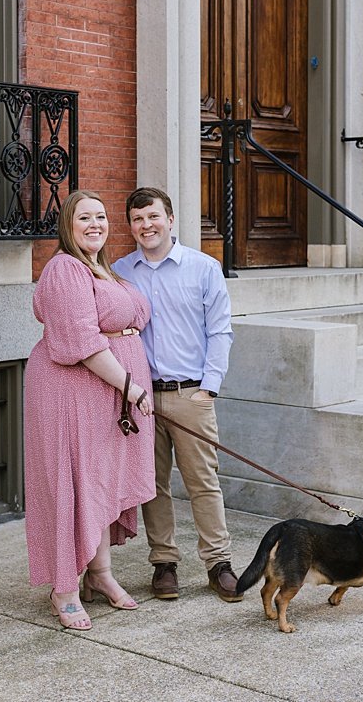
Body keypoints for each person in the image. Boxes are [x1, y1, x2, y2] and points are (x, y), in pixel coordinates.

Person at [24, 189, 156, 630]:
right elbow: (82, 342)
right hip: (71, 393)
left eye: (101, 216)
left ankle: (100, 574)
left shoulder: (102, 269)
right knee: (74, 484)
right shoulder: (65, 268)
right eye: (85, 218)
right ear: (68, 225)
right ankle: (64, 588)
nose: (95, 224)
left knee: (100, 483)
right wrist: (131, 387)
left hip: (101, 396)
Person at [113, 185, 239, 602]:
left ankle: (218, 563)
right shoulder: (119, 272)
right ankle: (164, 563)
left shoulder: (204, 268)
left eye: (153, 217)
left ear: (169, 219)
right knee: (152, 484)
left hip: (190, 395)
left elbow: (220, 331)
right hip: (142, 398)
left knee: (203, 481)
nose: (145, 225)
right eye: (137, 219)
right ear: (130, 226)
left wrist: (210, 387)